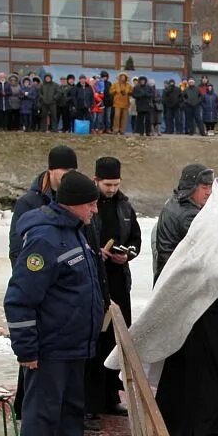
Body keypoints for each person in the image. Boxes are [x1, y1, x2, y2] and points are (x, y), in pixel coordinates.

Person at [108, 166, 218, 436]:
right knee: (209, 385)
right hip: (207, 317)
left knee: (208, 381)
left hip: (215, 314)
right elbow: (208, 269)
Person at [4, 171, 112, 436]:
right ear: (74, 205)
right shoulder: (45, 239)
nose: (95, 210)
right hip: (49, 345)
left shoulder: (74, 231)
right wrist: (26, 349)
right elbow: (20, 298)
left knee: (71, 405)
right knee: (42, 408)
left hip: (74, 342)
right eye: (91, 204)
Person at [85, 156, 141, 418]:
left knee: (116, 340)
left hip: (118, 281)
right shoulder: (86, 205)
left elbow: (136, 240)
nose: (111, 189)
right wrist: (96, 253)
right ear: (96, 180)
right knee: (97, 339)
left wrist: (127, 254)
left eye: (116, 184)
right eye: (107, 184)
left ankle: (110, 395)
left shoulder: (125, 206)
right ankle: (92, 402)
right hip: (95, 281)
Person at [8, 144, 78, 265]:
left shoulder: (79, 200)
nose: (68, 175)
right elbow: (16, 248)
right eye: (64, 170)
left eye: (72, 171)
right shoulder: (28, 202)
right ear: (51, 170)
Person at [151, 163, 215, 281]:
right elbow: (210, 248)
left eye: (210, 187)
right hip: (178, 280)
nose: (209, 192)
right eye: (204, 188)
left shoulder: (175, 201)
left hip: (168, 276)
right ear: (191, 188)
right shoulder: (189, 215)